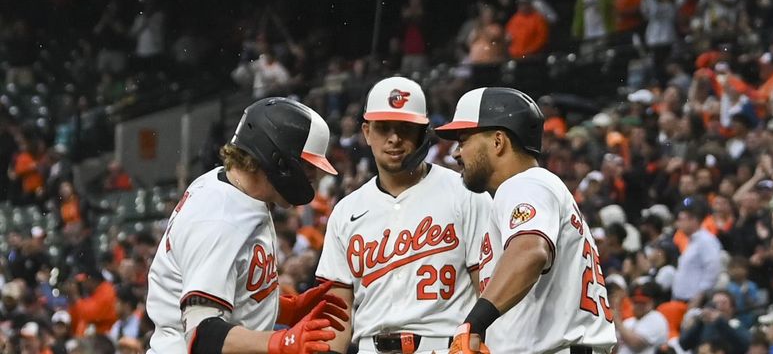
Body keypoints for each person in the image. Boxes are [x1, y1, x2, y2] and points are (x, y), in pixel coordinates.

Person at [146, 97, 347, 354]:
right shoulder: (218, 219)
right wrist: (280, 342)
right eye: (307, 167)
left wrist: (286, 308)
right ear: (278, 159)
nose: (313, 178)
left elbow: (231, 291)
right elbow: (202, 336)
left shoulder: (239, 191)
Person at [315, 77, 491, 354]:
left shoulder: (465, 193)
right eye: (383, 128)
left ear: (424, 133)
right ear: (366, 131)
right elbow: (338, 313)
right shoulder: (346, 211)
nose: (394, 138)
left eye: (405, 129)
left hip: (445, 346)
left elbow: (488, 289)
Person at [433, 87, 616, 354]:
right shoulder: (537, 187)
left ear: (498, 141)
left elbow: (530, 250)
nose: (456, 154)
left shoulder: (525, 184)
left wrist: (474, 324)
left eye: (463, 140)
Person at [613, 282, 668, 354]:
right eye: (636, 302)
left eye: (643, 303)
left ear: (652, 302)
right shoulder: (629, 322)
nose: (639, 306)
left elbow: (635, 344)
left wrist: (617, 320)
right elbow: (613, 346)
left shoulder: (656, 318)